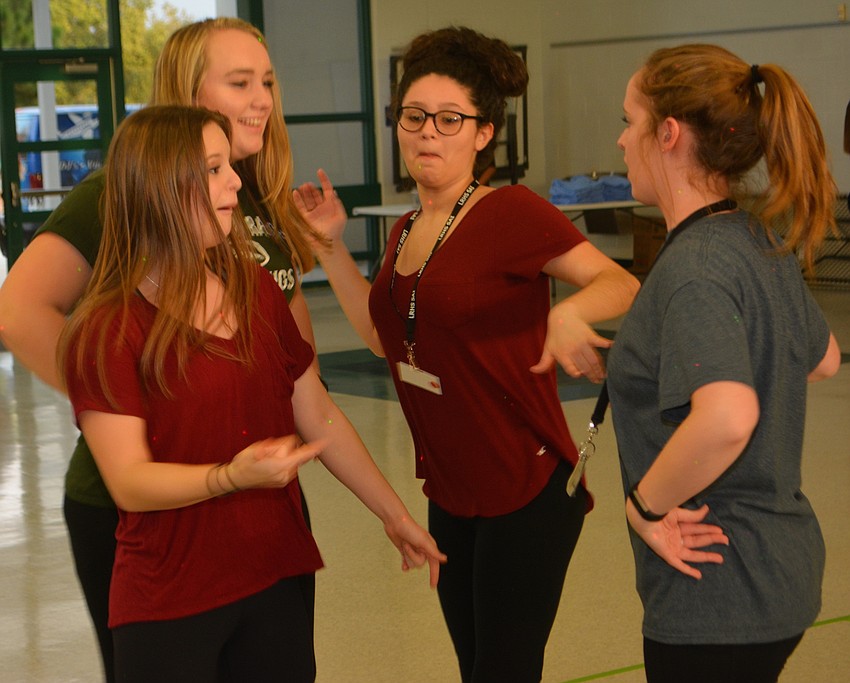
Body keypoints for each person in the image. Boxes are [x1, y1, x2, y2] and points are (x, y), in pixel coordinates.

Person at [293, 26, 640, 683]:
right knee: (475, 666)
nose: (428, 132)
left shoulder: (512, 212)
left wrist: (567, 311)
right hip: (451, 494)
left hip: (526, 489)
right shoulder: (405, 230)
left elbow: (619, 283)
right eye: (414, 116)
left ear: (483, 134)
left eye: (450, 119)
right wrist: (329, 247)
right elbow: (384, 339)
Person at [58, 104, 444, 683]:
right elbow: (130, 483)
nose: (235, 180)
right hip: (170, 600)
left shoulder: (257, 290)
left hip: (275, 576)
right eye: (213, 169)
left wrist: (394, 514)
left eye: (228, 167)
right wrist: (230, 476)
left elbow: (317, 412)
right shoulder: (107, 328)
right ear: (159, 187)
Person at [0, 18, 321, 682]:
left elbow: (298, 365)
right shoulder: (127, 187)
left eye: (267, 81)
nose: (263, 98)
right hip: (140, 506)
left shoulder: (247, 190)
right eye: (240, 82)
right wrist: (128, 400)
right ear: (186, 90)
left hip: (257, 498)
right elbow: (17, 310)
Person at [608, 44, 843, 683]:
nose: (623, 141)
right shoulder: (754, 237)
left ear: (670, 135)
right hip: (782, 570)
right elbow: (822, 358)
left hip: (718, 590)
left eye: (630, 122)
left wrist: (644, 506)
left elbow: (729, 415)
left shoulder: (694, 269)